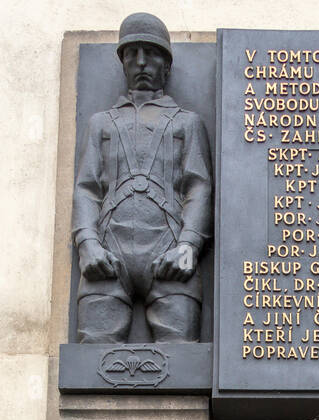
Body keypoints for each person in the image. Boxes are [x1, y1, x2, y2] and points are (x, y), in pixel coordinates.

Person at [72, 12, 213, 342]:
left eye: (151, 53)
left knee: (181, 362)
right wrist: (87, 244)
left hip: (168, 250)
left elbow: (199, 187)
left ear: (166, 64)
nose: (141, 62)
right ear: (122, 63)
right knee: (91, 361)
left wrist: (188, 246)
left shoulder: (186, 123)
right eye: (132, 54)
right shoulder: (101, 124)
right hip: (109, 250)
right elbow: (86, 188)